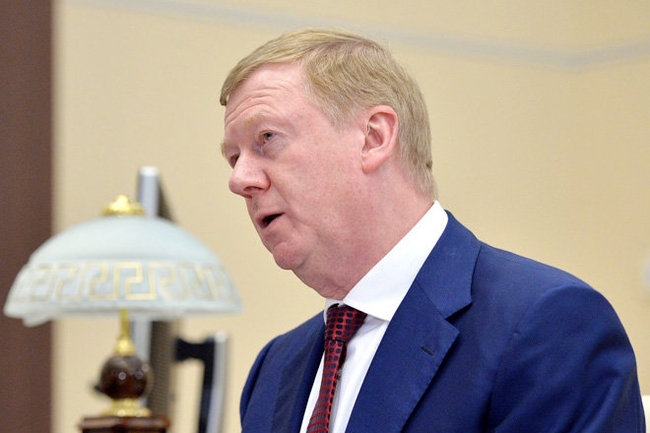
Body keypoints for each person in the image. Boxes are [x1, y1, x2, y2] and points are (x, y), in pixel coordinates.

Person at [219, 29, 645, 433]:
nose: (239, 180)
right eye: (234, 157)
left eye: (267, 138)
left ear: (373, 137)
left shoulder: (548, 325)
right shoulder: (275, 369)